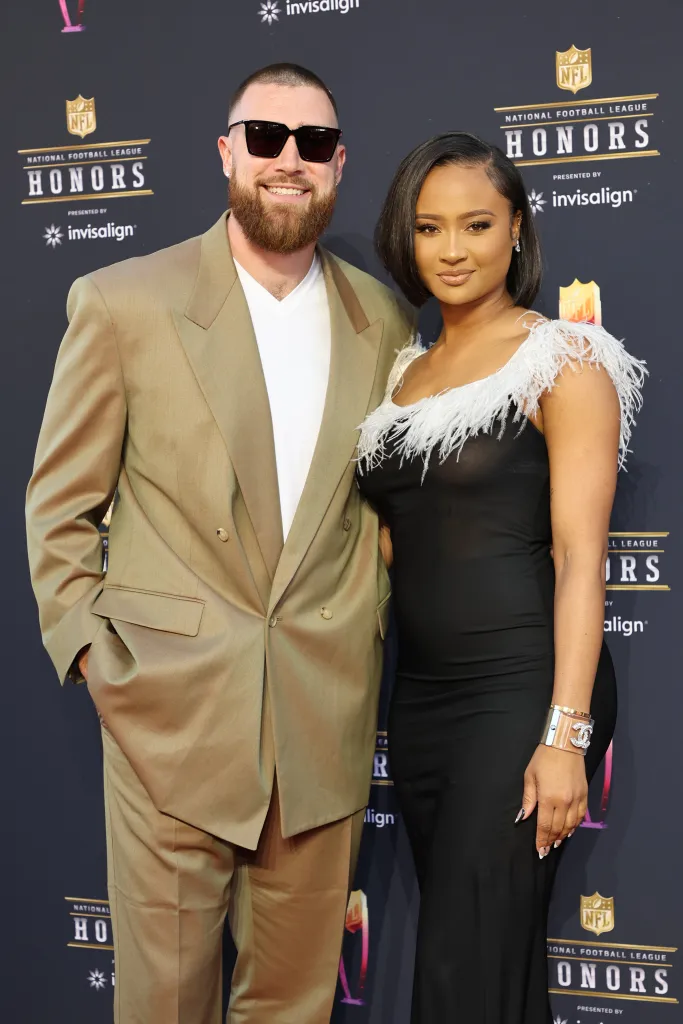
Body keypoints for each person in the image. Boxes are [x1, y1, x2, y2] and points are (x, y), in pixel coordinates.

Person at [26, 63, 413, 1024]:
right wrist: (92, 653)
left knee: (292, 1007)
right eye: (267, 137)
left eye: (315, 144)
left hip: (320, 727)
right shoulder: (124, 303)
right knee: (163, 1006)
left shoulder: (384, 323)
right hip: (169, 723)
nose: (290, 161)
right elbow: (60, 503)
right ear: (225, 151)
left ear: (338, 165)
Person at [356, 132, 645, 1023]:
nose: (451, 250)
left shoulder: (565, 359)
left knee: (462, 969)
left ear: (515, 229)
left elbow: (579, 558)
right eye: (429, 228)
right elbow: (394, 543)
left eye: (476, 224)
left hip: (522, 694)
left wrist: (564, 734)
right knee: (487, 962)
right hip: (425, 701)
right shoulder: (402, 373)